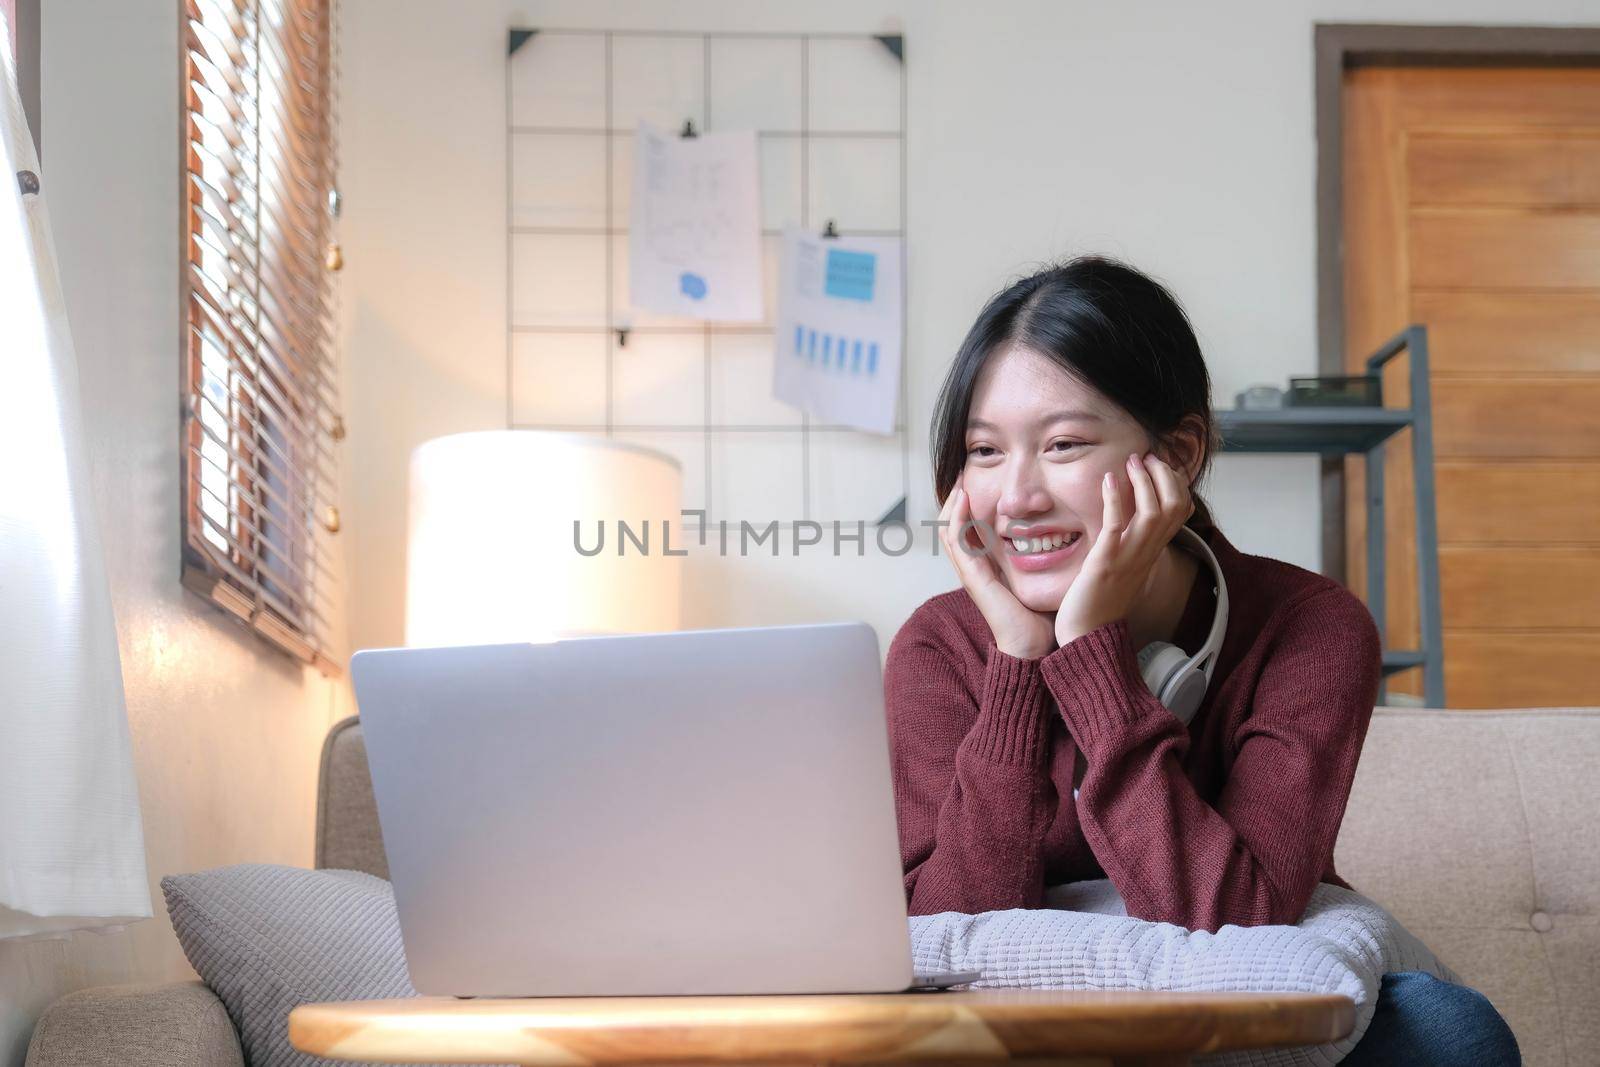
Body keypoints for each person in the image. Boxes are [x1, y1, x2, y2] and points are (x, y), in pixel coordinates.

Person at [884, 255, 1520, 1065]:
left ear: (1178, 454)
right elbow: (945, 935)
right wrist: (1016, 664)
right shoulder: (940, 647)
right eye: (984, 451)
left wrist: (1090, 655)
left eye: (1064, 443)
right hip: (1015, 1036)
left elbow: (1235, 923)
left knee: (1447, 1035)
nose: (1016, 497)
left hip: (1237, 1029)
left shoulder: (1309, 626)